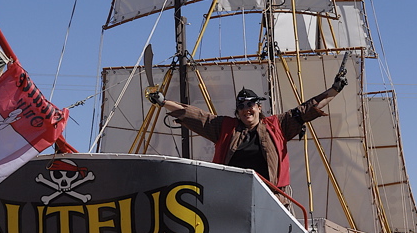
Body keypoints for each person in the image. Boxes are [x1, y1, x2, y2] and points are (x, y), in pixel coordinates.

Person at [148, 69, 347, 197]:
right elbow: (195, 115)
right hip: (233, 197)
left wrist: (334, 91)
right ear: (237, 111)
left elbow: (307, 109)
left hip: (271, 197)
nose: (246, 109)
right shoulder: (225, 128)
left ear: (259, 107)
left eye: (251, 104)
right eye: (241, 106)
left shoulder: (277, 125)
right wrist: (163, 102)